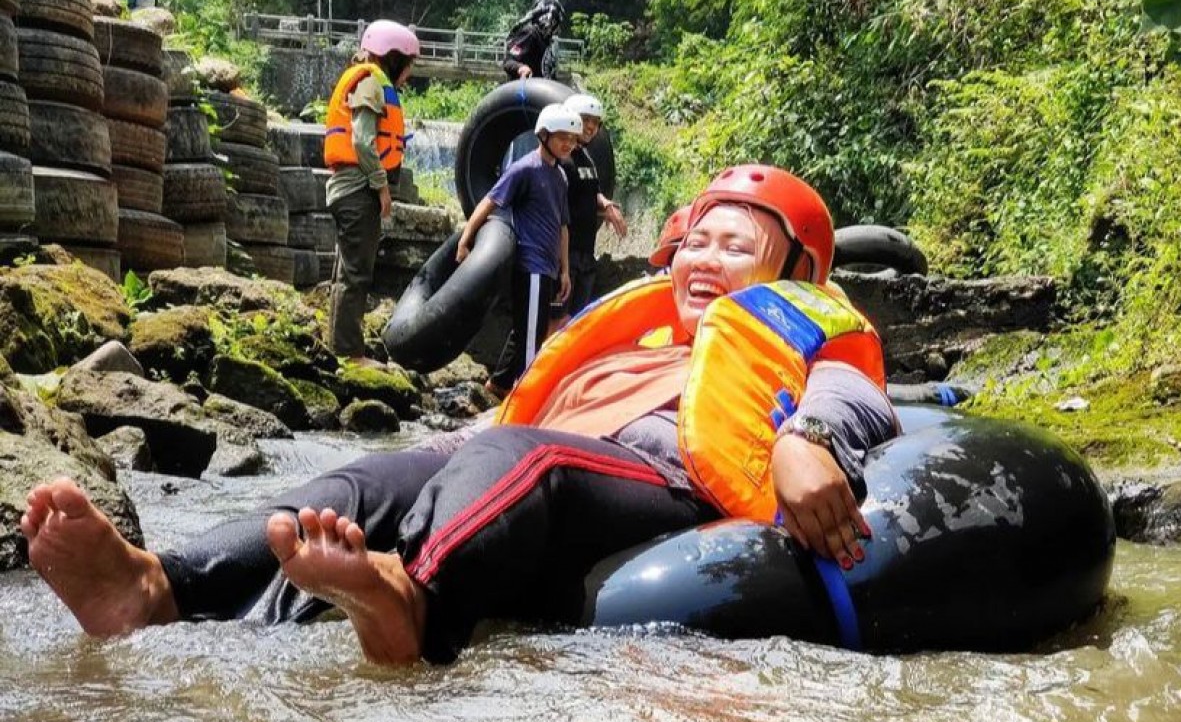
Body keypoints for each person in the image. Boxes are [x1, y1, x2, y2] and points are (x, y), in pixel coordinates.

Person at [20, 164, 899, 668]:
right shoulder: (630, 337)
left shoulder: (807, 335)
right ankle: (158, 584)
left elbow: (852, 399)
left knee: (523, 461)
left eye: (736, 247)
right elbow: (511, 421)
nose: (704, 259)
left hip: (668, 478)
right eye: (695, 242)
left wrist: (808, 443)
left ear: (796, 272)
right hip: (532, 456)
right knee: (368, 476)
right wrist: (443, 451)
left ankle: (415, 602)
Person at [457, 102, 579, 397]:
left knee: (528, 330)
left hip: (549, 268)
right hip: (531, 265)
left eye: (573, 139)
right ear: (544, 135)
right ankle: (523, 398)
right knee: (531, 338)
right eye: (562, 137)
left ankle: (497, 385)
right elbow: (491, 200)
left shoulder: (560, 176)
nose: (568, 144)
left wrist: (564, 270)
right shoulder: (524, 169)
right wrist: (466, 238)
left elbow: (563, 226)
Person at [323, 19, 419, 367]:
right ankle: (349, 353)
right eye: (408, 65)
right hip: (357, 190)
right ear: (394, 58)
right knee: (356, 272)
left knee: (346, 270)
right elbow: (362, 141)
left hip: (351, 189)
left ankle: (338, 346)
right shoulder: (371, 85)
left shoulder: (371, 81)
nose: (408, 74)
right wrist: (381, 186)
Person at [547, 93, 627, 326]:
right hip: (563, 253)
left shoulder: (586, 158)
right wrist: (561, 263)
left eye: (596, 122)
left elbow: (593, 192)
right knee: (556, 319)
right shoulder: (560, 158)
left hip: (585, 253)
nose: (591, 126)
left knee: (578, 320)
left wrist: (606, 205)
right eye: (586, 119)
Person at [502, 0, 563, 81]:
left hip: (541, 91)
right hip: (525, 91)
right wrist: (520, 68)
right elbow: (508, 61)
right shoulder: (530, 33)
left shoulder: (547, 42)